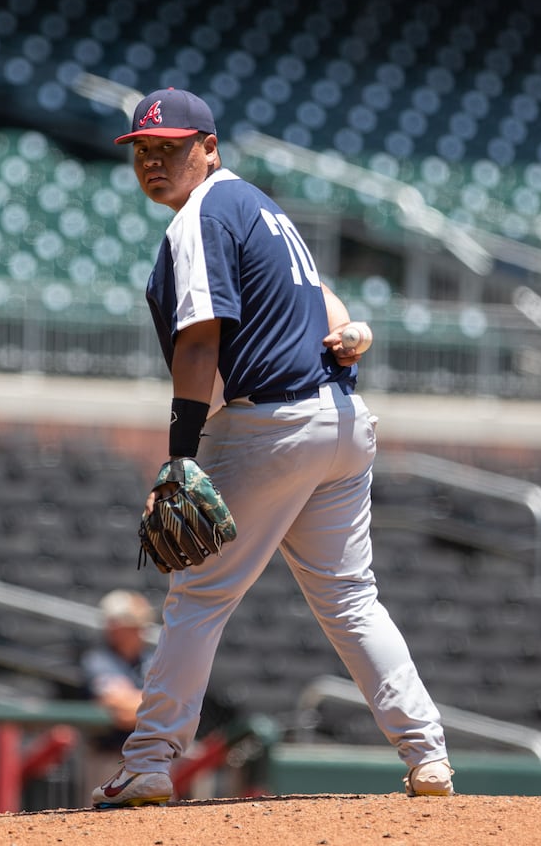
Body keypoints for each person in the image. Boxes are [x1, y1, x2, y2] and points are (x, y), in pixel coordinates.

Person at [92, 88, 454, 808]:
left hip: (270, 424)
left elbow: (200, 339)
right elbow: (333, 309)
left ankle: (150, 760)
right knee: (350, 599)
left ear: (211, 148)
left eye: (172, 147)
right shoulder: (261, 207)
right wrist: (356, 335)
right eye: (144, 150)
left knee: (197, 596)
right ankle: (428, 755)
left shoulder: (201, 217)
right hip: (342, 422)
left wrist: (180, 454)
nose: (156, 161)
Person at [81, 590, 156, 800]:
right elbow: (120, 708)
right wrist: (155, 706)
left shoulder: (152, 659)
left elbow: (175, 701)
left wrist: (145, 704)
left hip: (153, 759)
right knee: (103, 825)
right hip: (110, 759)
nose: (139, 630)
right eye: (132, 624)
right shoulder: (98, 660)